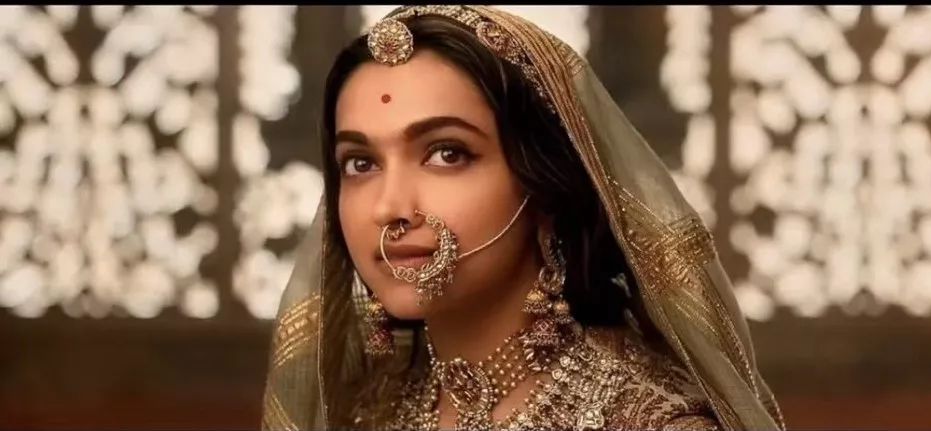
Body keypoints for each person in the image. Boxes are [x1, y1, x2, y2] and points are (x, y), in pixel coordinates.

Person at [260, 5, 784, 431]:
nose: (388, 208)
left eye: (447, 154)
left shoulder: (652, 421)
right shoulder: (361, 411)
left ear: (545, 188)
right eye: (361, 163)